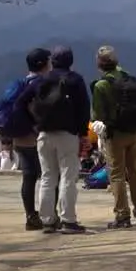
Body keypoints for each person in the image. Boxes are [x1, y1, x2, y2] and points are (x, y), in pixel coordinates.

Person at [29, 46, 91, 233]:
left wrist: (35, 124)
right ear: (70, 61)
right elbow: (83, 108)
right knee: (68, 177)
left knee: (47, 177)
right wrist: (83, 134)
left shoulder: (41, 80)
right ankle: (68, 220)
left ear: (52, 61)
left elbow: (25, 102)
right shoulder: (75, 80)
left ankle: (47, 220)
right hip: (67, 134)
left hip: (44, 134)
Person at [91, 45, 136, 229]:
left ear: (99, 64)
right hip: (135, 132)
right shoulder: (130, 79)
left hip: (115, 134)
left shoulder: (102, 85)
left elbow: (97, 114)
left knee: (116, 174)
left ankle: (122, 216)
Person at [6, 48, 52, 230]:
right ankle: (50, 215)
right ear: (44, 64)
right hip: (38, 137)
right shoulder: (42, 84)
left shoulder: (21, 83)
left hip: (20, 138)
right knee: (49, 177)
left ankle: (31, 216)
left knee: (29, 177)